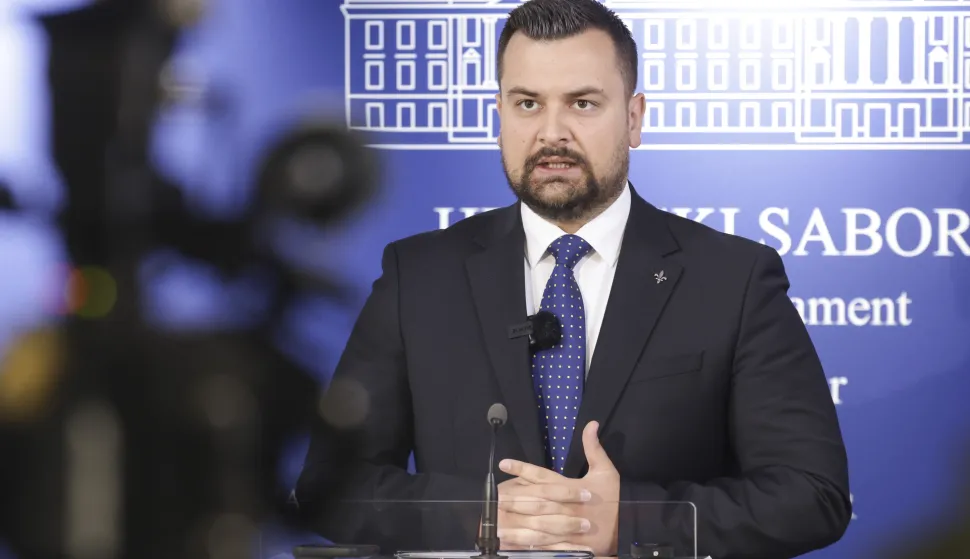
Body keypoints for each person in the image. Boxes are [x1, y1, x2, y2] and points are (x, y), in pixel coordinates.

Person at [295, 1, 852, 557]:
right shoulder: (418, 276)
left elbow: (812, 494)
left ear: (633, 118)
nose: (552, 132)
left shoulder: (733, 280)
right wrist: (479, 514)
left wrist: (630, 520)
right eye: (527, 104)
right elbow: (331, 488)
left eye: (583, 103)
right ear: (499, 116)